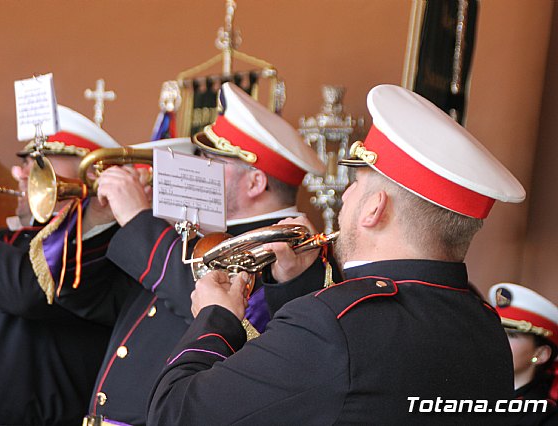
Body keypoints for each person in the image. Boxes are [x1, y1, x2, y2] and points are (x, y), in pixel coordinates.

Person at [146, 84, 527, 425]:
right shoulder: (487, 328)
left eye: (356, 185)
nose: (345, 196)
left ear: (374, 209)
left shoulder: (332, 324)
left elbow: (174, 413)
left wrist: (217, 316)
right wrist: (297, 286)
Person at [55, 82, 331, 425]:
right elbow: (84, 299)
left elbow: (214, 301)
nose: (198, 167)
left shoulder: (282, 249)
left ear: (255, 183)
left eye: (212, 159)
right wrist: (100, 219)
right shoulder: (190, 235)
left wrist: (138, 221)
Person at [0, 105, 128, 425]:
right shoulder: (9, 242)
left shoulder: (104, 249)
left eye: (39, 162)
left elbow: (24, 289)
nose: (20, 173)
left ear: (93, 175)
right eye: (24, 162)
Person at [490, 282, 558, 425]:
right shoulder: (474, 393)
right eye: (496, 331)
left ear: (541, 354)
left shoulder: (547, 416)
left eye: (512, 335)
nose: (498, 340)